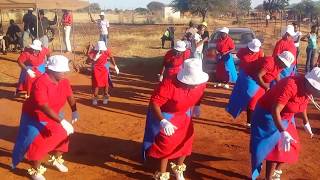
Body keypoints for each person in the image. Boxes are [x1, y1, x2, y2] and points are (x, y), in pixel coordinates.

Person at [12, 55, 79, 180]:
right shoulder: (41, 82)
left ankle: (56, 159)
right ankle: (35, 170)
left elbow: (69, 94)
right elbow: (43, 106)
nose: (64, 73)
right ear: (52, 71)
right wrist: (62, 121)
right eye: (62, 71)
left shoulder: (64, 81)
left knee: (63, 135)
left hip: (54, 115)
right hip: (36, 117)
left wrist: (74, 110)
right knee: (38, 142)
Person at [142, 58, 208, 180]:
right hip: (168, 116)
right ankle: (162, 174)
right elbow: (155, 103)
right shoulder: (168, 84)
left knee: (186, 141)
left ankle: (178, 170)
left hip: (185, 115)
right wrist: (163, 121)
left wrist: (198, 105)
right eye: (192, 83)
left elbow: (200, 93)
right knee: (166, 144)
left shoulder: (201, 83)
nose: (195, 85)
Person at [250, 67, 319, 180]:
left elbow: (303, 104)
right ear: (310, 84)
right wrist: (282, 132)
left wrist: (306, 122)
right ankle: (269, 177)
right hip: (267, 115)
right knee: (275, 148)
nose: (318, 93)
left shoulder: (307, 90)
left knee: (292, 146)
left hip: (285, 117)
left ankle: (276, 171)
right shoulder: (290, 85)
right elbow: (275, 109)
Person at [227, 51, 295, 127]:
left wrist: (280, 85)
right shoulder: (269, 62)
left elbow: (276, 74)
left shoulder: (279, 65)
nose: (285, 67)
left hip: (261, 80)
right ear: (280, 60)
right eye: (285, 64)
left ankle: (254, 121)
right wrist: (267, 88)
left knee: (260, 101)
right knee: (250, 97)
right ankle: (249, 123)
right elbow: (258, 76)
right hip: (250, 77)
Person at [87, 41, 119, 105]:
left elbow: (111, 57)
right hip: (96, 69)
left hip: (105, 68)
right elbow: (88, 60)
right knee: (96, 84)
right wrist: (93, 55)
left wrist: (115, 66)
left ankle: (105, 97)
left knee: (105, 83)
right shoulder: (94, 51)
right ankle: (95, 98)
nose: (101, 50)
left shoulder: (106, 51)